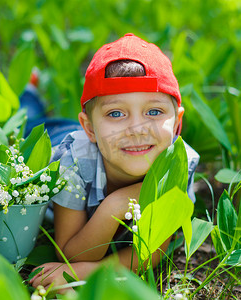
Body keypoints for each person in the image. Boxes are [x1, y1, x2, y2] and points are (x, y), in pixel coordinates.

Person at [30, 33, 199, 290]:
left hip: (104, 145)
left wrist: (87, 272)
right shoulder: (73, 162)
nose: (136, 128)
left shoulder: (178, 162)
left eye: (153, 111)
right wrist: (114, 205)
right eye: (116, 113)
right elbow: (70, 253)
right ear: (89, 127)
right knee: (27, 117)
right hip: (54, 137)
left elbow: (151, 252)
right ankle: (30, 91)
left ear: (177, 123)